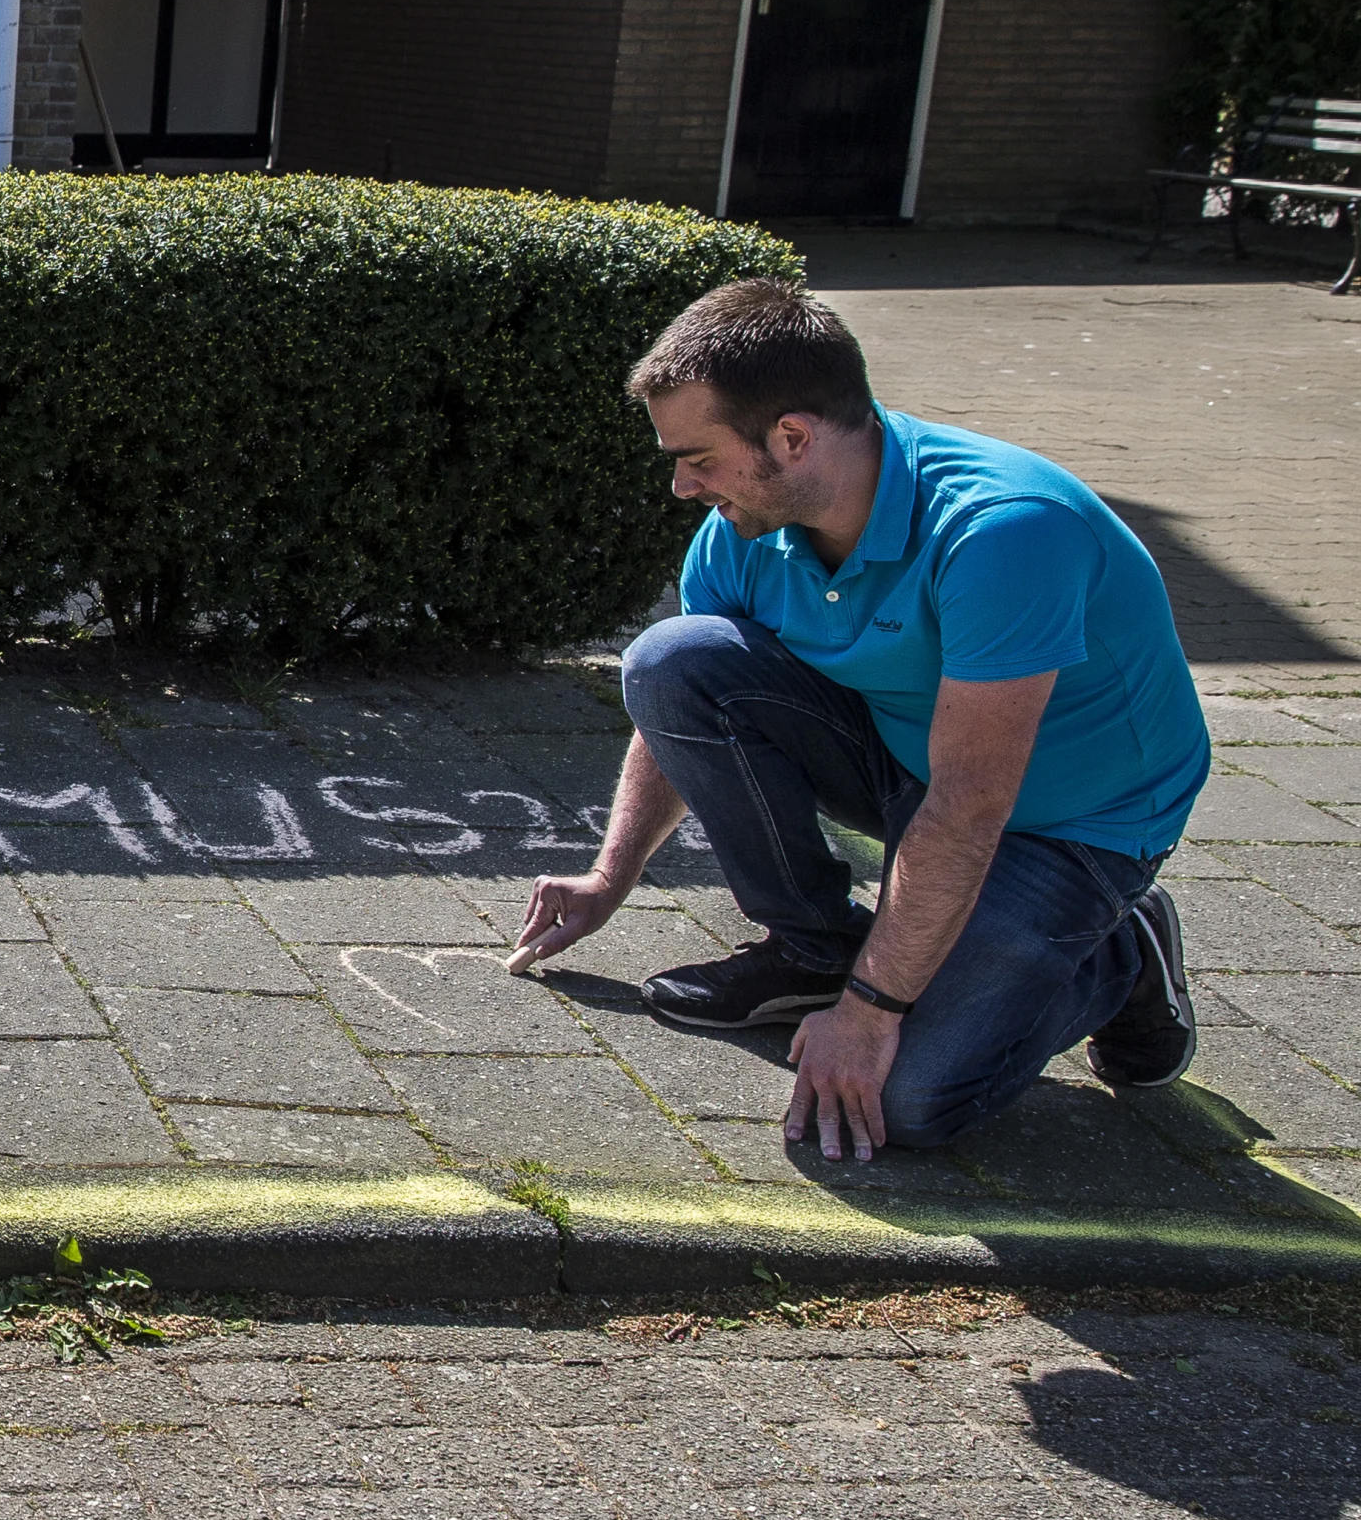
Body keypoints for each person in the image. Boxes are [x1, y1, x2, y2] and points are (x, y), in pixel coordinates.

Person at [512, 278, 1206, 1160]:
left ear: (793, 438)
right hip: (910, 757)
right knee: (673, 656)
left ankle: (1124, 952)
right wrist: (610, 877)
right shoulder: (752, 521)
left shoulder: (1003, 532)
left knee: (909, 1102)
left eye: (698, 457)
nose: (683, 486)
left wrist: (871, 1012)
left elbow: (970, 806)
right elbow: (676, 705)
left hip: (1071, 822)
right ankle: (814, 950)